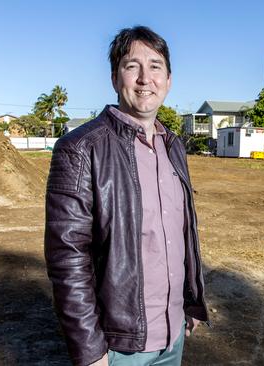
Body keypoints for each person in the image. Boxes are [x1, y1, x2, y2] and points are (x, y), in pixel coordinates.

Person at [44, 25, 209, 366]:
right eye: (132, 66)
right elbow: (67, 258)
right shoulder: (80, 148)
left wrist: (188, 303)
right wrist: (90, 350)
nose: (145, 78)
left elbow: (180, 236)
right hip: (119, 346)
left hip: (174, 335)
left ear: (169, 79)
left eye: (155, 66)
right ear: (114, 78)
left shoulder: (173, 147)